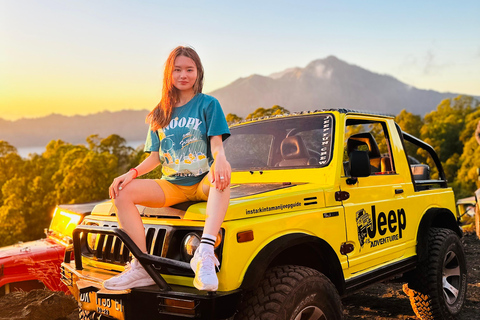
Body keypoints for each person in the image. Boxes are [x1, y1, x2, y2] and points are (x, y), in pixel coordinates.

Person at [103, 46, 231, 292]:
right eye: (178, 70)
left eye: (189, 69)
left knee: (223, 175)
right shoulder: (160, 112)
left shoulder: (208, 104)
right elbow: (155, 157)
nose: (184, 75)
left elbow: (216, 144)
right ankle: (142, 267)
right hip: (172, 185)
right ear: (169, 75)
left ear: (198, 72)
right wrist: (131, 174)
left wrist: (221, 159)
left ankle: (204, 253)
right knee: (122, 192)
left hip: (203, 180)